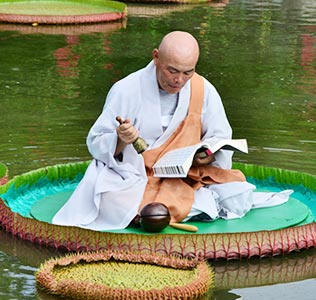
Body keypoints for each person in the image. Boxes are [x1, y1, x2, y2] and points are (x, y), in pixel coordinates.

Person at [53, 31, 292, 230]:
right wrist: (120, 140)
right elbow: (95, 142)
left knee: (238, 193)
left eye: (187, 72)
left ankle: (151, 213)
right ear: (156, 57)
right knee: (105, 197)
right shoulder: (126, 89)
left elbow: (219, 136)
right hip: (133, 175)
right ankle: (158, 212)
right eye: (172, 71)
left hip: (183, 176)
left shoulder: (203, 89)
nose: (179, 80)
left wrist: (206, 155)